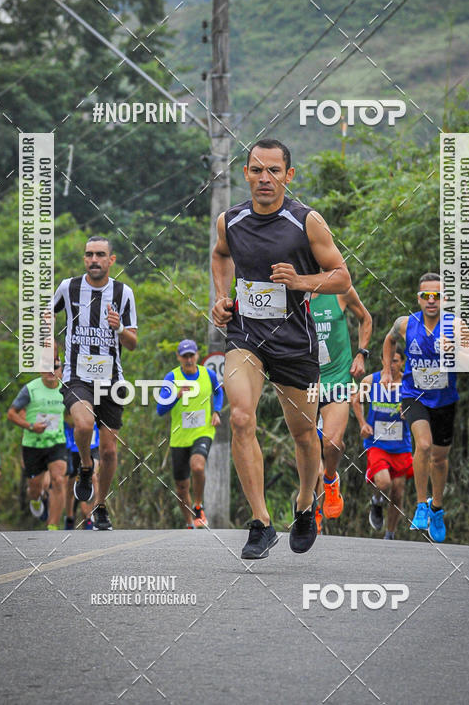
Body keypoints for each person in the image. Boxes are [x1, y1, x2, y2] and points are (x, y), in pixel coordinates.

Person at [211, 139, 351, 559]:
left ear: (288, 175)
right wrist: (221, 297)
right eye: (257, 170)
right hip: (246, 336)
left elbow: (342, 277)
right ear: (246, 174)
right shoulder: (229, 221)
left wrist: (302, 281)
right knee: (239, 417)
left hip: (294, 341)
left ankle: (306, 504)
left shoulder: (307, 222)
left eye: (274, 171)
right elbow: (220, 256)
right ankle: (260, 522)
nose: (264, 179)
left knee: (305, 434)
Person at [382, 272, 469, 542]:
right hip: (414, 396)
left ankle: (437, 508)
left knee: (439, 458)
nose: (431, 300)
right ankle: (421, 505)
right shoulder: (405, 324)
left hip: (445, 401)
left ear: (444, 298)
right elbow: (389, 340)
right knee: (423, 445)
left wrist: (455, 352)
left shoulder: (456, 326)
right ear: (419, 298)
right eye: (426, 296)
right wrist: (386, 371)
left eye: (437, 295)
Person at [51, 236, 137, 531]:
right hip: (77, 375)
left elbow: (133, 342)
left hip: (112, 379)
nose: (94, 260)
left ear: (111, 260)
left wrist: (120, 327)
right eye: (89, 254)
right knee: (84, 426)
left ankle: (100, 507)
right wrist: (51, 348)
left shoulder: (123, 293)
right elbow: (45, 316)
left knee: (111, 451)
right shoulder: (69, 287)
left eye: (100, 255)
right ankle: (86, 467)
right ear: (84, 258)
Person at [311, 288, 372, 526]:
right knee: (309, 448)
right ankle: (310, 507)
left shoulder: (338, 290)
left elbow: (365, 318)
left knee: (332, 442)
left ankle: (330, 480)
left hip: (337, 378)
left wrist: (361, 354)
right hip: (303, 379)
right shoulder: (289, 294)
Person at [157, 339, 222, 529]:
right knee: (181, 486)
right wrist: (175, 396)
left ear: (197, 356)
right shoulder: (172, 378)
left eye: (191, 355)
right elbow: (160, 410)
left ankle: (198, 506)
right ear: (178, 357)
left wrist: (216, 411)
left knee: (198, 466)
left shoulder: (207, 374)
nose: (188, 360)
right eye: (184, 356)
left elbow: (218, 392)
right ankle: (189, 523)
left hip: (203, 431)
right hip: (179, 437)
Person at [351, 349, 413, 540]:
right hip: (377, 443)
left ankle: (390, 534)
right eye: (387, 360)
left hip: (401, 445)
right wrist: (362, 423)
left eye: (395, 361)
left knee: (398, 491)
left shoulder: (408, 383)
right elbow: (356, 400)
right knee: (384, 482)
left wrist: (409, 412)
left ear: (402, 362)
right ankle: (377, 500)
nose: (391, 365)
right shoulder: (372, 381)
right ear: (382, 360)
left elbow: (422, 406)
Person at [7, 359, 67, 531]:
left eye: (55, 367)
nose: (51, 371)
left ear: (61, 369)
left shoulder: (66, 389)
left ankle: (53, 525)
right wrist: (31, 426)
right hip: (33, 444)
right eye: (46, 367)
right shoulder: (30, 389)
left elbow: (71, 414)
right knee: (35, 487)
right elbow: (11, 414)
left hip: (57, 442)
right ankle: (35, 498)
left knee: (58, 480)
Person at [64, 420, 99, 529]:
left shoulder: (98, 404)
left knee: (92, 476)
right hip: (74, 449)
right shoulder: (72, 405)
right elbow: (66, 420)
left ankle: (89, 517)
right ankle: (69, 518)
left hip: (93, 448)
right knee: (70, 486)